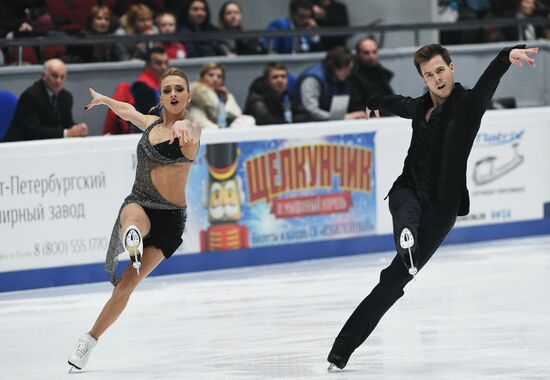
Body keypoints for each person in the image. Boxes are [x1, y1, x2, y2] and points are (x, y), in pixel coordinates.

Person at [326, 44, 538, 370]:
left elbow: (487, 84)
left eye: (440, 70)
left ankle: (345, 344)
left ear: (451, 68)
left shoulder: (467, 106)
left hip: (441, 210)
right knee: (401, 203)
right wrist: (374, 101)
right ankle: (406, 241)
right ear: (424, 80)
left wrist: (504, 57)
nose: (436, 78)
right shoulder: (420, 106)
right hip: (409, 188)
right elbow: (397, 103)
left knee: (392, 281)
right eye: (429, 75)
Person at [67, 66, 201, 371]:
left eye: (179, 89)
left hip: (170, 218)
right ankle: (133, 240)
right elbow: (128, 111)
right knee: (133, 219)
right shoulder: (151, 123)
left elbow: (191, 131)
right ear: (161, 96)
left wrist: (183, 129)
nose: (173, 94)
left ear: (188, 95)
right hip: (140, 202)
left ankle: (90, 338)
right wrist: (106, 100)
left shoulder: (192, 131)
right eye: (167, 90)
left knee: (126, 286)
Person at [3, 58, 87, 142]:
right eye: (54, 76)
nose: (58, 80)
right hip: (21, 145)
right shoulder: (30, 96)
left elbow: (66, 123)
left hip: (48, 144)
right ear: (43, 75)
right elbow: (34, 130)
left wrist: (78, 129)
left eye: (62, 77)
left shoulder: (66, 97)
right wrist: (66, 133)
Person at [294, 46, 365, 121]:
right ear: (336, 67)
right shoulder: (312, 79)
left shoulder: (340, 78)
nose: (349, 73)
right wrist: (343, 118)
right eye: (347, 69)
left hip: (329, 122)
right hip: (306, 124)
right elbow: (311, 111)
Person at [244, 62, 311, 125]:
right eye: (275, 77)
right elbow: (265, 120)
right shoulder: (257, 96)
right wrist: (288, 122)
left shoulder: (288, 94)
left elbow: (306, 115)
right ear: (266, 81)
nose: (280, 80)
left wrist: (289, 121)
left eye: (283, 76)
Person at [347, 36, 395, 115]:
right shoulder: (351, 75)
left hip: (383, 116)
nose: (371, 56)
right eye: (366, 53)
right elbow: (356, 105)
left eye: (374, 52)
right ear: (358, 54)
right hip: (364, 119)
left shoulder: (380, 71)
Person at [189, 62, 242, 130]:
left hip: (224, 131)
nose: (215, 79)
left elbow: (237, 115)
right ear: (202, 77)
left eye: (219, 76)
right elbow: (202, 121)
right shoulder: (194, 92)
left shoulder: (226, 95)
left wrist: (225, 99)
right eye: (211, 75)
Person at [132, 47, 169, 117]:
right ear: (147, 65)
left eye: (166, 63)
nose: (164, 67)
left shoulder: (160, 83)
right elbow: (150, 117)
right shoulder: (142, 86)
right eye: (158, 63)